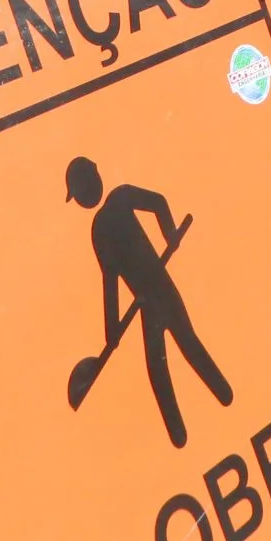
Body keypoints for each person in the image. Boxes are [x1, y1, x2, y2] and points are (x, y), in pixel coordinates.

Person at [64, 156, 230, 449]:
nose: (83, 199)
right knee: (163, 361)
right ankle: (181, 432)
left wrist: (170, 235)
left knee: (186, 345)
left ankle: (223, 395)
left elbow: (158, 202)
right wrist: (111, 332)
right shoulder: (101, 226)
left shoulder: (114, 207)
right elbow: (110, 281)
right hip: (149, 300)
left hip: (157, 290)